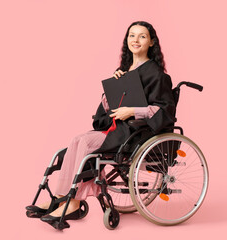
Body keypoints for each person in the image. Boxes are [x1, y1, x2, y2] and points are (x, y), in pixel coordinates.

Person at [26, 21, 176, 225]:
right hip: (116, 129)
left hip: (136, 134)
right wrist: (113, 87)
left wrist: (132, 111)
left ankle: (74, 202)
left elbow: (164, 111)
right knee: (78, 140)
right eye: (132, 35)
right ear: (127, 41)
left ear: (151, 42)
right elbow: (106, 110)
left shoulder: (157, 75)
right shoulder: (123, 71)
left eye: (142, 36)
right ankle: (61, 198)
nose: (136, 40)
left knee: (86, 145)